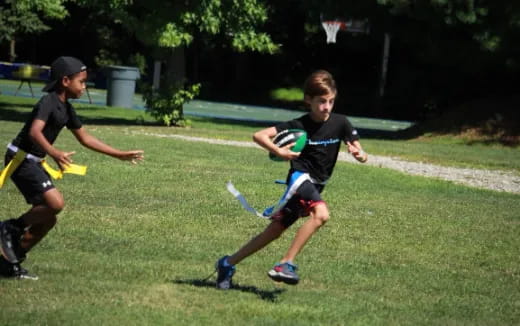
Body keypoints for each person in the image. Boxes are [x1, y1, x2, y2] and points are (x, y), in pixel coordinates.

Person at [215, 70, 368, 289]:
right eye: (321, 101)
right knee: (321, 215)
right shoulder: (299, 125)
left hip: (317, 184)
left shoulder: (341, 123)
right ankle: (285, 263)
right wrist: (279, 151)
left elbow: (361, 152)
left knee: (275, 231)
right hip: (299, 179)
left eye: (331, 101)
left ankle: (227, 263)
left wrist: (360, 155)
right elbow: (259, 135)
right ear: (308, 100)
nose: (327, 107)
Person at [0, 56, 144, 279]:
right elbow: (34, 132)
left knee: (47, 219)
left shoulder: (66, 108)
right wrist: (55, 153)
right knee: (55, 203)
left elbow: (85, 138)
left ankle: (9, 262)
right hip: (20, 158)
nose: (84, 87)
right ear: (66, 81)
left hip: (34, 160)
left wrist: (119, 155)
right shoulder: (48, 102)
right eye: (82, 81)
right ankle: (9, 227)